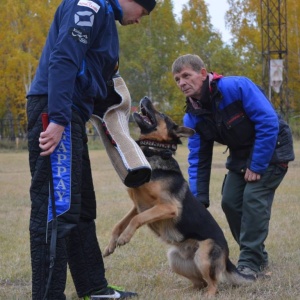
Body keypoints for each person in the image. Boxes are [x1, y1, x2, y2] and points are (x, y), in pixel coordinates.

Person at [26, 0, 156, 299]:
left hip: (71, 113)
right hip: (56, 109)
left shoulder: (106, 19)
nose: (139, 21)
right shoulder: (89, 6)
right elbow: (64, 58)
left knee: (80, 208)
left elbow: (90, 75)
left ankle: (94, 289)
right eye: (143, 13)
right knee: (56, 209)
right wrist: (57, 118)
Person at [171, 54, 294, 277]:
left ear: (202, 73)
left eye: (186, 75)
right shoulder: (193, 116)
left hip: (273, 148)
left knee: (253, 199)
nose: (182, 83)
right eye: (177, 79)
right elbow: (198, 158)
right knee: (229, 201)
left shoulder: (236, 87)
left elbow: (268, 122)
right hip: (241, 155)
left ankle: (250, 261)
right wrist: (197, 201)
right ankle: (258, 255)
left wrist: (256, 166)